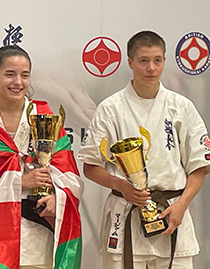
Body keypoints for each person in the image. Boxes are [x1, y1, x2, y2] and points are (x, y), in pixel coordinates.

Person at [78, 30, 209, 269]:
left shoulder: (181, 107)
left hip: (172, 213)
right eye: (143, 61)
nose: (151, 68)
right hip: (126, 213)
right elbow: (91, 166)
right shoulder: (110, 108)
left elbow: (200, 165)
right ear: (130, 62)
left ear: (164, 62)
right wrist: (121, 186)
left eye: (157, 60)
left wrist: (181, 205)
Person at [0, 45, 82, 269]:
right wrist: (19, 182)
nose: (18, 82)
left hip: (39, 233)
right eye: (10, 74)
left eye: (24, 75)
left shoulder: (46, 119)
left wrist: (57, 199)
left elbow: (70, 175)